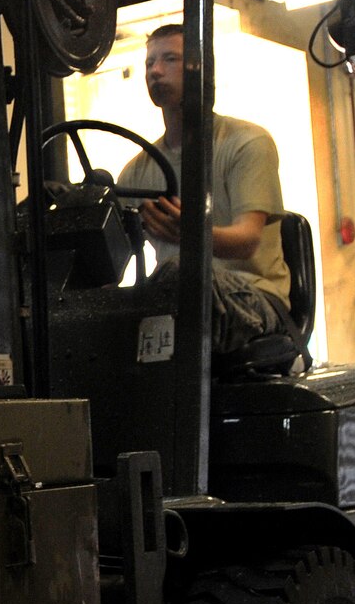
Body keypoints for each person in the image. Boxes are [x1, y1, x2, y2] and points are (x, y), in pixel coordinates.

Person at [115, 23, 296, 356]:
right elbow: (112, 260)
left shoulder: (246, 143)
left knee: (182, 275)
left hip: (254, 298)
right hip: (179, 297)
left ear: (201, 70)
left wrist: (191, 234)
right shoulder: (136, 171)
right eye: (149, 63)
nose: (155, 71)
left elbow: (247, 242)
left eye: (169, 59)